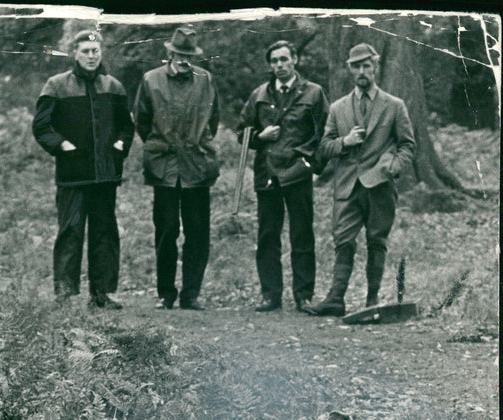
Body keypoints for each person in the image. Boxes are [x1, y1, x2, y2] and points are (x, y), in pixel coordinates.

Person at [304, 43, 415, 317]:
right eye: (357, 66)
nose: (362, 71)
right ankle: (335, 298)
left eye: (367, 65)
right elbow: (324, 147)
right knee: (343, 240)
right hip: (347, 186)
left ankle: (372, 300)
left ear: (375, 68)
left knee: (377, 241)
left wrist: (393, 167)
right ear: (350, 70)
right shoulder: (338, 108)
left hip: (380, 186)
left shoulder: (394, 106)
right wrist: (345, 141)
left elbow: (408, 146)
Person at [32, 29, 134, 309]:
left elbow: (127, 126)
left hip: (105, 176)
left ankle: (102, 294)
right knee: (70, 232)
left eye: (95, 51)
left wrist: (118, 149)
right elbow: (41, 126)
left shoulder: (113, 86)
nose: (91, 56)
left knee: (105, 233)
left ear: (101, 52)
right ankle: (64, 294)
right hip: (72, 177)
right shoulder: (56, 85)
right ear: (74, 53)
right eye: (85, 51)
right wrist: (62, 145)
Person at [237, 40, 329, 312]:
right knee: (267, 235)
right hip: (267, 174)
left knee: (302, 234)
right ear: (270, 65)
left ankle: (304, 295)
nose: (279, 65)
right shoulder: (260, 95)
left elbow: (324, 134)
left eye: (283, 59)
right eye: (274, 61)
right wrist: (259, 136)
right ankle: (270, 295)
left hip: (298, 173)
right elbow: (240, 133)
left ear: (295, 60)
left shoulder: (313, 93)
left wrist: (311, 165)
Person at [133, 26, 220, 311]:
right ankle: (165, 293)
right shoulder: (151, 80)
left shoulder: (205, 80)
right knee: (166, 230)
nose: (183, 59)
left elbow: (213, 121)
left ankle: (190, 293)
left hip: (197, 167)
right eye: (179, 54)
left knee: (197, 232)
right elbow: (142, 122)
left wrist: (197, 144)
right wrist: (161, 145)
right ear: (169, 53)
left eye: (188, 55)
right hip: (164, 168)